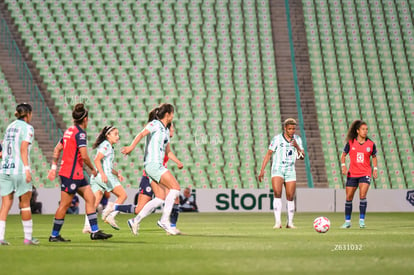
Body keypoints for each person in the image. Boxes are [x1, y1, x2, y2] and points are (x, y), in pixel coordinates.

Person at [47, 103, 112, 242]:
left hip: (75, 174)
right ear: (85, 119)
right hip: (71, 175)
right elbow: (84, 155)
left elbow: (57, 149)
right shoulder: (80, 134)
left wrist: (53, 168)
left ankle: (94, 231)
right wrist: (93, 169)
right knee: (64, 205)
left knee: (91, 198)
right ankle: (54, 235)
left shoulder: (68, 131)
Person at [122, 103, 183, 236]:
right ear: (167, 114)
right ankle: (164, 220)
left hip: (155, 166)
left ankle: (135, 221)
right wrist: (131, 147)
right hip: (153, 164)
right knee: (175, 188)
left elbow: (168, 151)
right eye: (172, 113)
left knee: (160, 197)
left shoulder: (166, 131)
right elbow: (141, 134)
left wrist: (178, 162)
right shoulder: (155, 124)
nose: (173, 116)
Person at [0, 103, 39, 245]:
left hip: (5, 169)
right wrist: (27, 169)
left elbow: (3, 149)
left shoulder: (10, 127)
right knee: (25, 204)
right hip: (20, 170)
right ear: (28, 114)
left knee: (5, 205)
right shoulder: (28, 128)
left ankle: (0, 237)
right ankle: (28, 238)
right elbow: (23, 148)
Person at [258, 118, 304, 229]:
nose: (292, 131)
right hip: (278, 169)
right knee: (277, 193)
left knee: (290, 196)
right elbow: (269, 154)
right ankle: (278, 222)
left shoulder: (297, 139)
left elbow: (302, 156)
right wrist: (262, 169)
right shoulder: (277, 139)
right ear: (285, 128)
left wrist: (297, 147)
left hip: (290, 170)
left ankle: (290, 223)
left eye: (294, 129)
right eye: (290, 129)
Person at [82, 125, 127, 233]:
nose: (118, 136)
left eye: (118, 134)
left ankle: (87, 226)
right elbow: (97, 160)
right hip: (104, 176)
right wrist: (103, 174)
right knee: (123, 195)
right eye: (115, 134)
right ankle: (110, 215)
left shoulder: (108, 146)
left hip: (97, 177)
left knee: (94, 202)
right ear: (108, 135)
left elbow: (107, 166)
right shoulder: (106, 145)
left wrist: (117, 174)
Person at [340, 120, 378, 229]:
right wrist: (343, 166)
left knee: (362, 195)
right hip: (352, 174)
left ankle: (362, 221)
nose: (365, 131)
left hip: (365, 173)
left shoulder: (371, 144)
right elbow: (343, 155)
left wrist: (375, 169)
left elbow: (374, 156)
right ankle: (347, 222)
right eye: (363, 129)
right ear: (357, 131)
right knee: (349, 197)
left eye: (366, 129)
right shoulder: (351, 143)